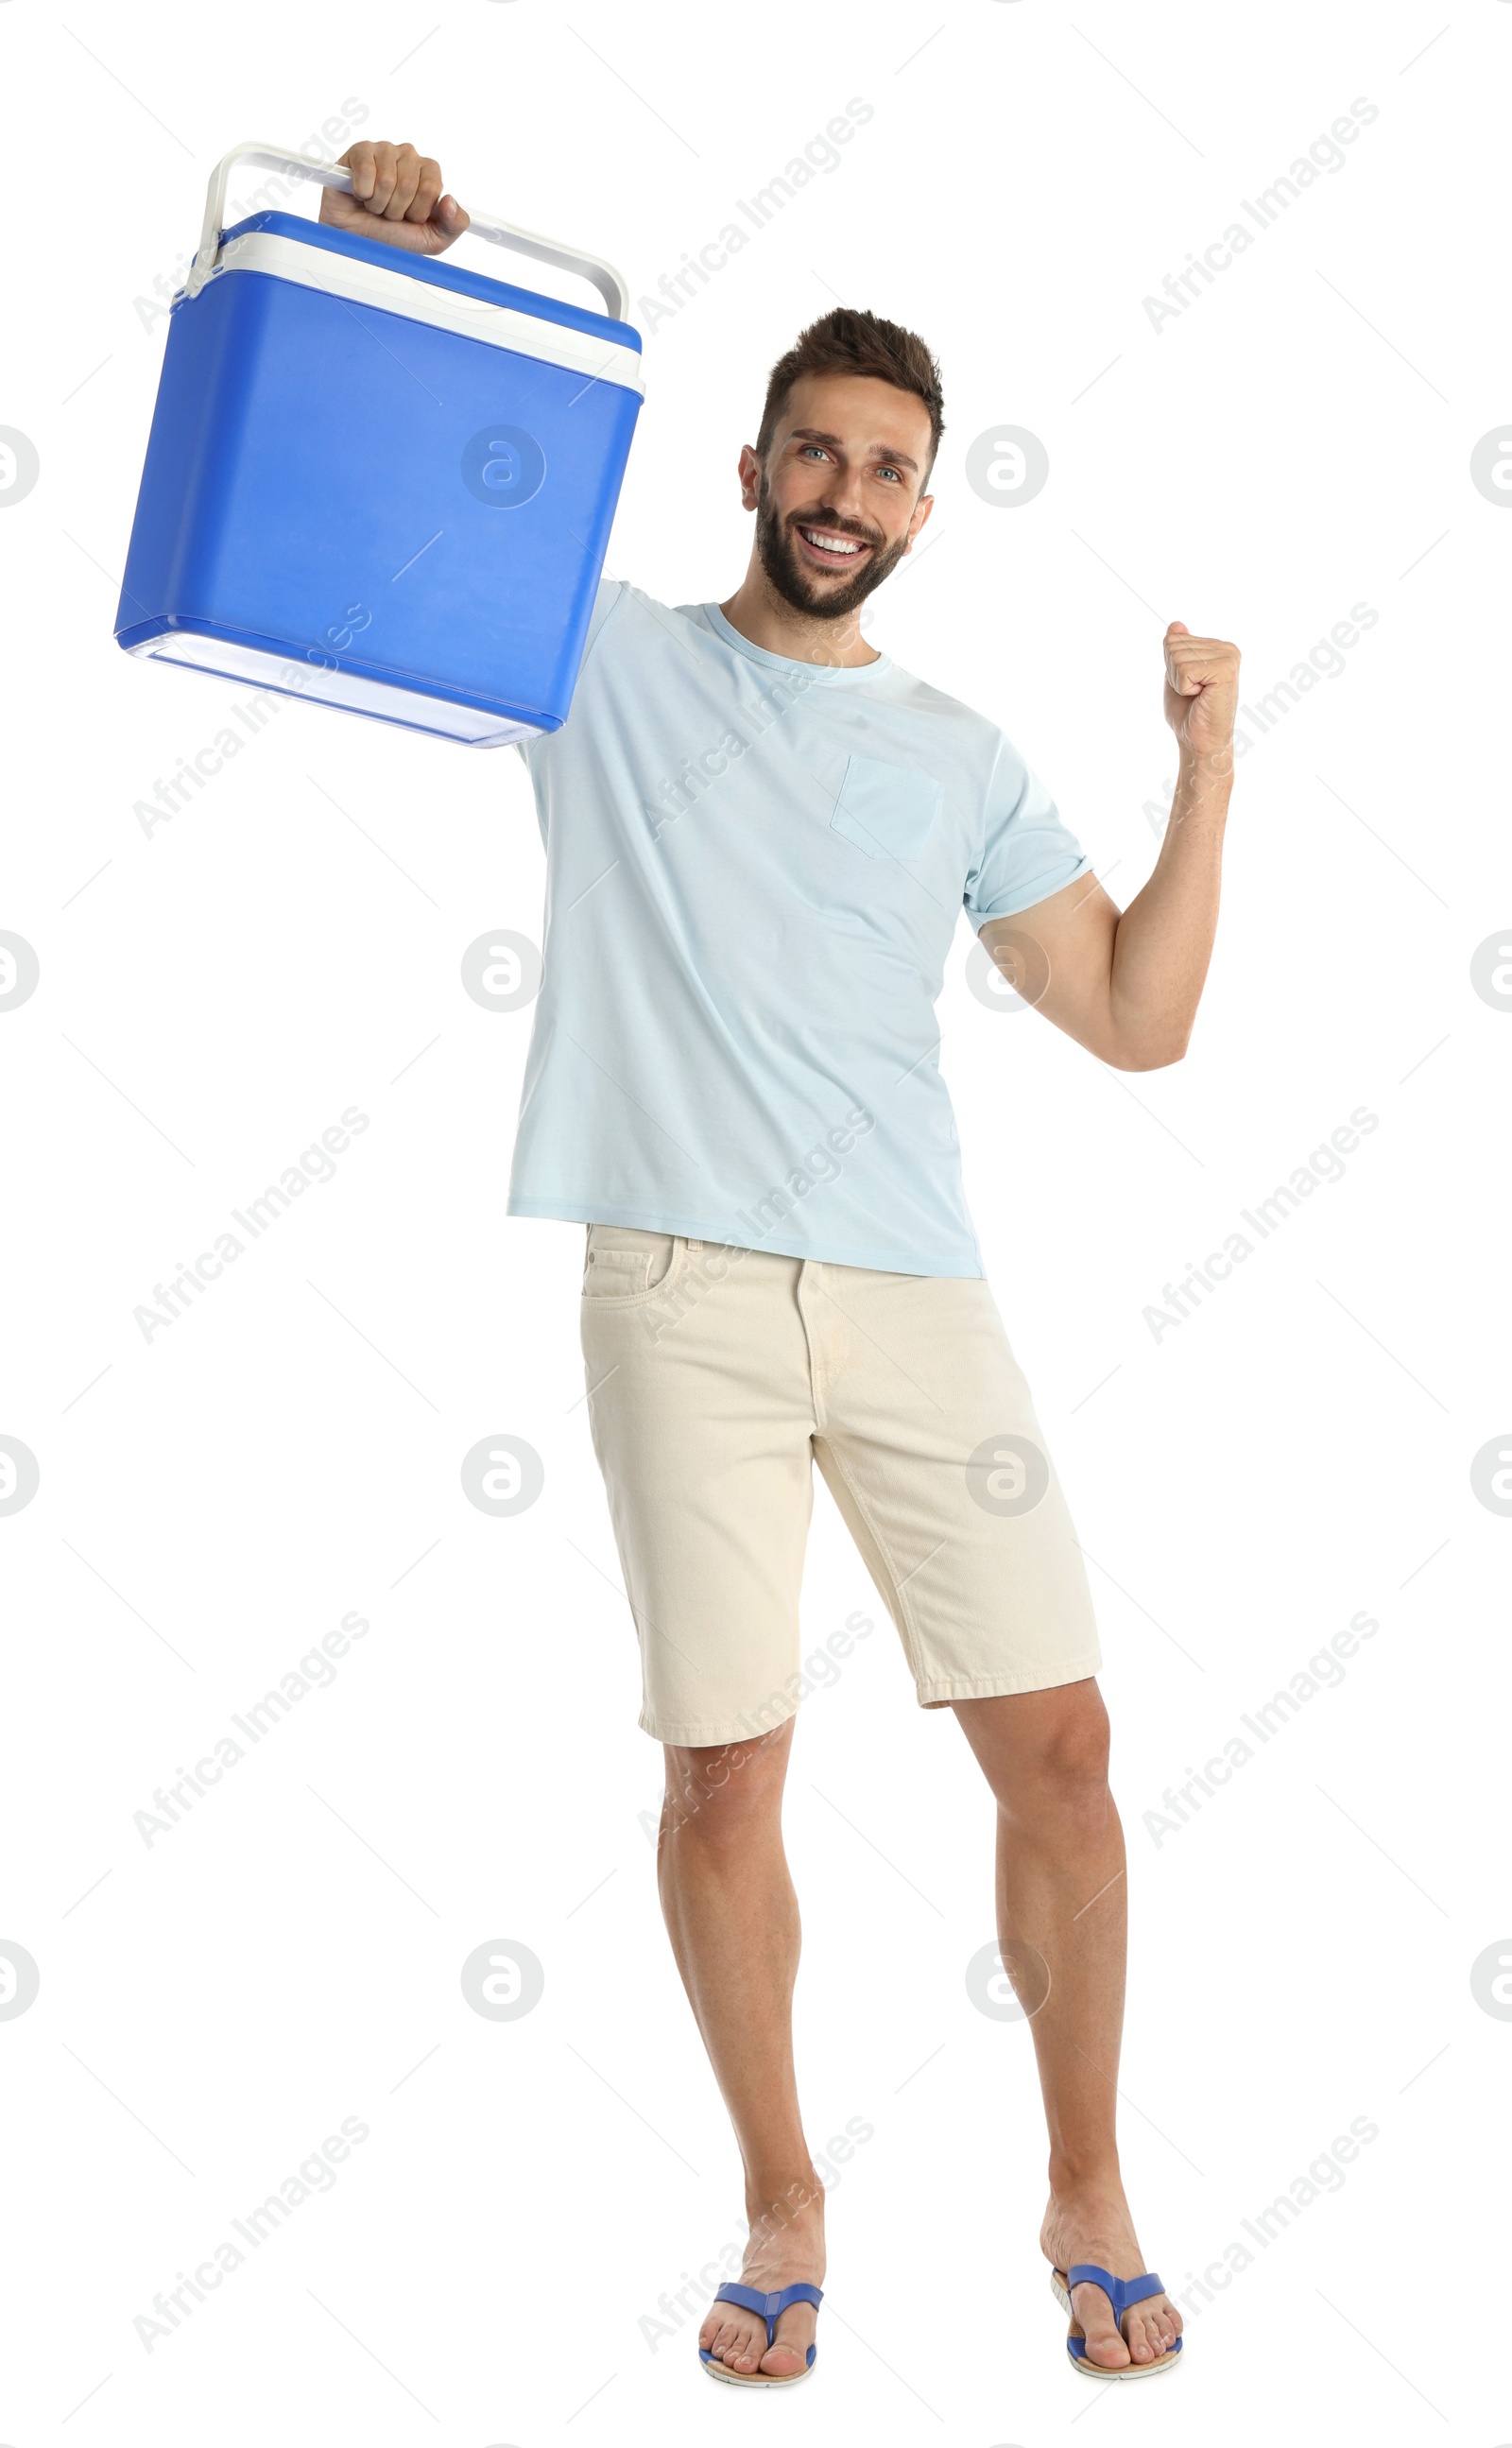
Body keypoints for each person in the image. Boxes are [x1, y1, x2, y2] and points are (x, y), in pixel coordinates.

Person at [320, 141, 1239, 2387]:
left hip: (915, 1294)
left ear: (926, 509)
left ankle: (1085, 2180)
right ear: (751, 465)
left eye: (889, 469)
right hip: (680, 1295)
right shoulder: (597, 668)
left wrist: (1206, 770)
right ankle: (780, 2195)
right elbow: (400, 513)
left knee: (1066, 1743)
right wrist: (389, 266)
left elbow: (1131, 1015)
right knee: (723, 1773)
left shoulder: (952, 755)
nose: (845, 489)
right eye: (815, 450)